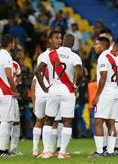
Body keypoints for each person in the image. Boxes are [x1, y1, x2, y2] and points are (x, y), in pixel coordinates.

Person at [90, 37, 118, 157]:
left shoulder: (103, 57)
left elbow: (103, 77)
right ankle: (111, 151)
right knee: (111, 123)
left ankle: (99, 151)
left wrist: (97, 96)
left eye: (96, 44)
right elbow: (117, 76)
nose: (94, 46)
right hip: (114, 92)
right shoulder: (113, 58)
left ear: (103, 46)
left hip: (106, 94)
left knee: (98, 121)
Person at [34, 30, 63, 159]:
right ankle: (44, 149)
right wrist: (45, 88)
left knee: (47, 120)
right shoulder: (48, 56)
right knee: (48, 120)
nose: (59, 40)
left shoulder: (57, 55)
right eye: (56, 38)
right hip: (47, 90)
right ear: (49, 40)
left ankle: (45, 149)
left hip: (47, 90)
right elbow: (40, 73)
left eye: (60, 38)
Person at [54, 33, 84, 159]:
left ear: (62, 41)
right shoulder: (75, 56)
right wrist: (76, 86)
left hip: (53, 90)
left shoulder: (51, 54)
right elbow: (80, 74)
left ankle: (49, 150)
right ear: (72, 43)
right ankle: (62, 152)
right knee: (66, 121)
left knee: (52, 121)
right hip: (67, 90)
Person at [0, 35, 21, 157]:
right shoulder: (7, 56)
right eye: (13, 43)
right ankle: (2, 150)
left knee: (7, 121)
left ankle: (3, 149)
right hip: (6, 92)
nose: (14, 45)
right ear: (10, 44)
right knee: (6, 121)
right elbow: (9, 75)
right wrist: (15, 91)